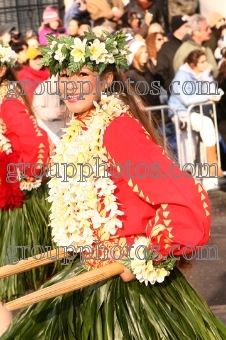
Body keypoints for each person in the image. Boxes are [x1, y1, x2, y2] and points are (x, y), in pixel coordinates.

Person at [1, 30, 226, 340]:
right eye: (64, 76)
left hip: (126, 293)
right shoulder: (77, 131)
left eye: (82, 74)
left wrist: (149, 253)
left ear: (104, 81)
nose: (72, 85)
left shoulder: (116, 127)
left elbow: (183, 197)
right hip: (89, 273)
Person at [0, 43, 59, 308]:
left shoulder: (8, 101)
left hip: (17, 205)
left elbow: (38, 144)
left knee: (18, 285)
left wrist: (17, 176)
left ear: (2, 69)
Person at [169, 49, 224, 178]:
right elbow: (186, 99)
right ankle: (206, 168)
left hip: (195, 112)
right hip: (181, 113)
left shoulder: (203, 74)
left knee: (196, 147)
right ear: (193, 64)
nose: (206, 64)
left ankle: (209, 173)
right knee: (188, 150)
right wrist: (208, 96)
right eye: (203, 61)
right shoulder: (181, 76)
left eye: (207, 60)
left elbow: (212, 90)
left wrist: (207, 79)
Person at [155, 15, 189, 96]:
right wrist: (174, 88)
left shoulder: (190, 44)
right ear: (177, 28)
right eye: (186, 26)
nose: (189, 28)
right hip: (177, 95)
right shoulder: (166, 49)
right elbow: (161, 72)